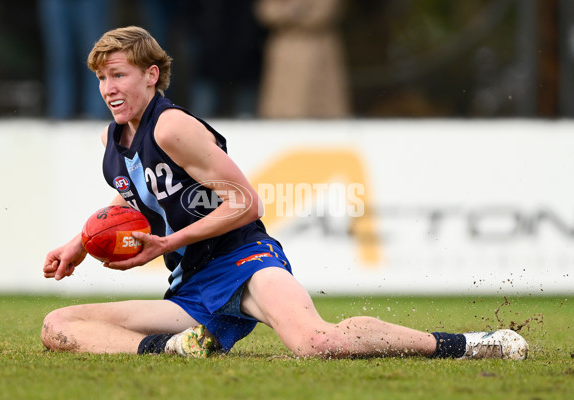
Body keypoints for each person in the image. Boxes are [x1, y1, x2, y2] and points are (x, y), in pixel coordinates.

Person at [41, 26, 529, 360]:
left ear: (151, 75)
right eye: (102, 77)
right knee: (58, 325)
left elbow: (246, 202)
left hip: (242, 260)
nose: (108, 87)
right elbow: (134, 201)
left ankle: (469, 343)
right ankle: (176, 348)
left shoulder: (171, 126)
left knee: (318, 343)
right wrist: (79, 244)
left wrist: (167, 244)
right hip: (191, 289)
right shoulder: (112, 139)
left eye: (119, 74)